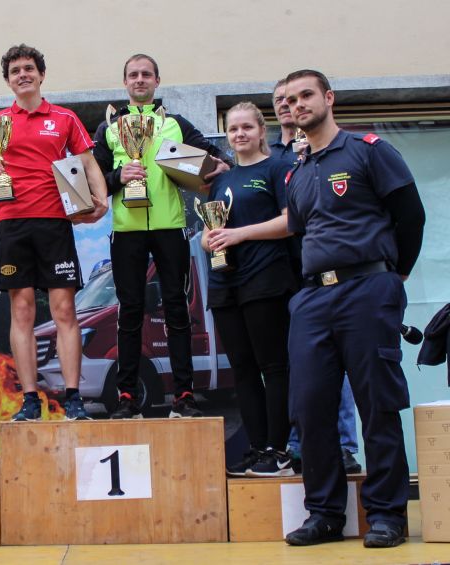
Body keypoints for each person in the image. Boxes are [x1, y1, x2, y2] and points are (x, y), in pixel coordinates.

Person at [283, 69, 425, 548]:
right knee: (310, 408)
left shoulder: (369, 150)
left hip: (368, 288)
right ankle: (325, 514)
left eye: (306, 95)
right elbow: (301, 233)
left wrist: (395, 274)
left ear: (328, 98)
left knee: (377, 404)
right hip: (313, 299)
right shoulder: (297, 172)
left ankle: (387, 514)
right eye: (290, 100)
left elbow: (411, 215)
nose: (298, 105)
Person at [92, 53, 230, 419]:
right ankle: (126, 397)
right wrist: (117, 177)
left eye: (146, 74)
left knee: (176, 309)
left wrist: (217, 166)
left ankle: (184, 395)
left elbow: (213, 156)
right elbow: (94, 182)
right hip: (127, 231)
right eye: (133, 75)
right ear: (125, 82)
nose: (140, 79)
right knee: (129, 312)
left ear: (157, 81)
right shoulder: (109, 127)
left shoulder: (176, 124)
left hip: (170, 227)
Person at [0, 44, 108, 421]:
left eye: (28, 68)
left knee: (64, 309)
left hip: (55, 222)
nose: (22, 75)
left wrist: (101, 199)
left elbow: (87, 162)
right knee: (21, 310)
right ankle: (29, 400)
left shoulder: (65, 118)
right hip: (12, 223)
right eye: (15, 71)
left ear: (41, 75)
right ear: (8, 81)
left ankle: (73, 398)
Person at [270, 79, 363, 475]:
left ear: (324, 99)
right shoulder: (276, 157)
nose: (288, 105)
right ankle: (298, 446)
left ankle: (344, 445)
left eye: (297, 98)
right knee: (302, 372)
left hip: (335, 276)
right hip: (290, 277)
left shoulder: (332, 151)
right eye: (281, 100)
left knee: (342, 366)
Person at [201, 102, 296, 476]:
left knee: (273, 366)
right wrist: (213, 240)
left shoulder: (277, 168)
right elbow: (208, 234)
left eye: (246, 127)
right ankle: (257, 450)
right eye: (233, 129)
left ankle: (279, 450)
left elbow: (290, 222)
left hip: (265, 279)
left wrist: (239, 235)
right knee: (241, 369)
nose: (239, 134)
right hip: (225, 283)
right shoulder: (221, 180)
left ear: (261, 131)